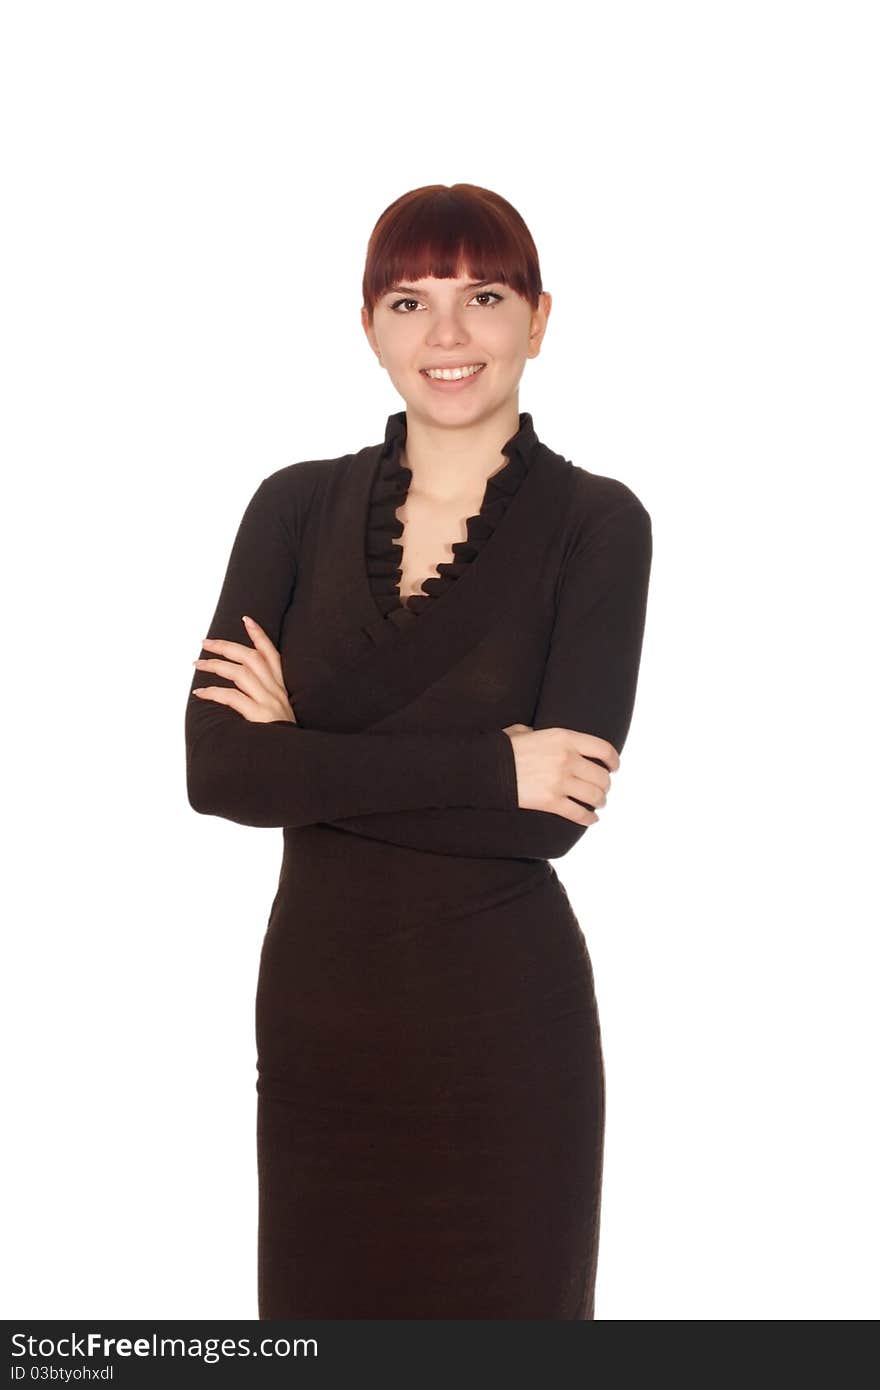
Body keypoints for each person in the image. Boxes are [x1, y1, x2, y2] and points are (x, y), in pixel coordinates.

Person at [185, 182, 653, 1319]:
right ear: (368, 327)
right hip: (318, 1028)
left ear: (538, 319)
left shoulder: (598, 523)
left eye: (482, 297)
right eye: (409, 301)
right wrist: (490, 764)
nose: (446, 336)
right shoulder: (292, 507)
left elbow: (550, 818)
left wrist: (307, 749)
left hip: (505, 1036)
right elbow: (220, 773)